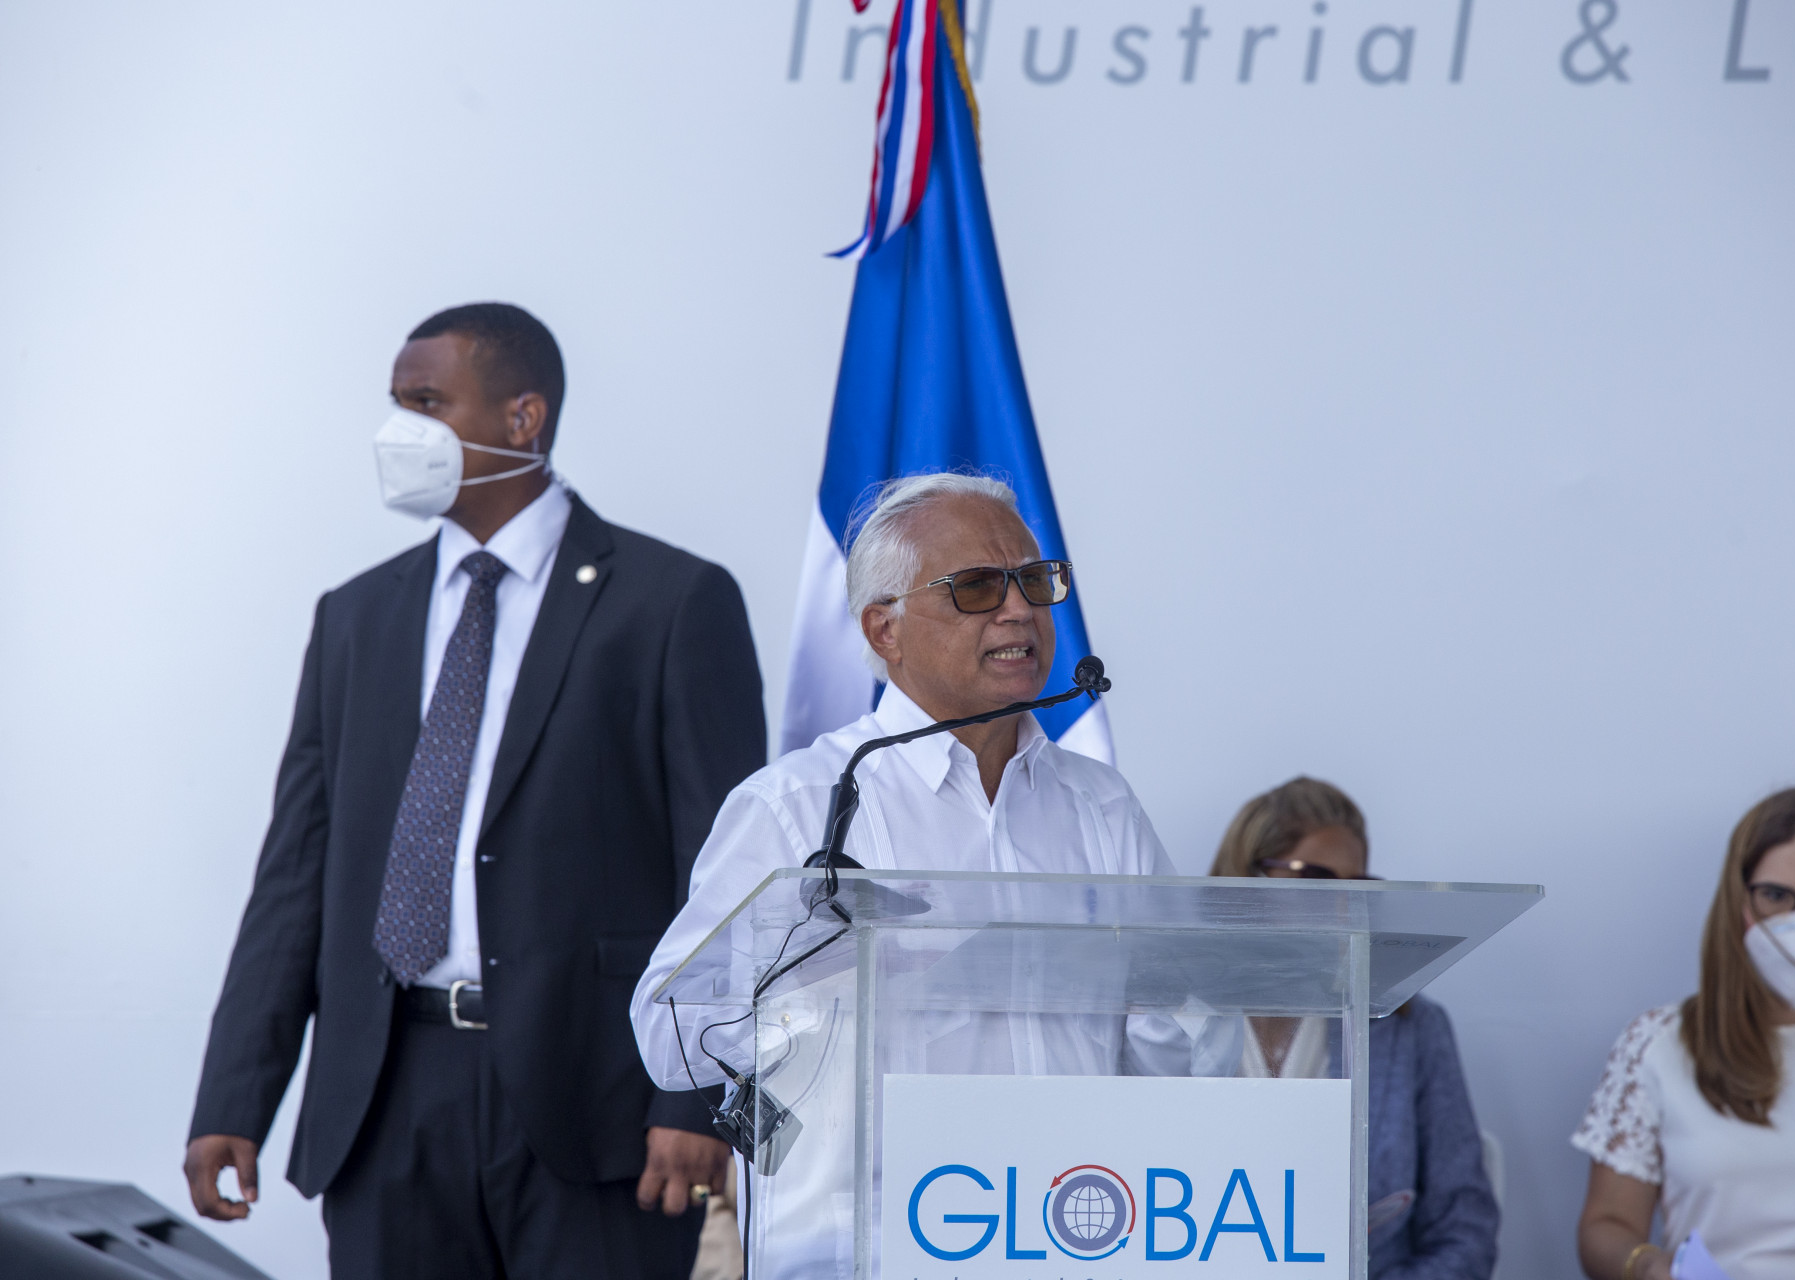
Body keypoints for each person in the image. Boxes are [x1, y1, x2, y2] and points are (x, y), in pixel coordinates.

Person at [183, 303, 765, 1279]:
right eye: (396, 403)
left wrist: (695, 1094)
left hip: (595, 1104)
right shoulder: (355, 617)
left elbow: (727, 875)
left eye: (426, 403)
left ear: (522, 417)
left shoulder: (671, 602)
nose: (399, 431)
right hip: (386, 1095)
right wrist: (234, 1099)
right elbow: (295, 875)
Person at [630, 472, 1233, 1279]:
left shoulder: (1100, 806)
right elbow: (669, 1031)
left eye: (1035, 580)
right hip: (865, 1249)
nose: (1019, 609)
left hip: (1075, 1237)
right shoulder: (800, 806)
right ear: (884, 629)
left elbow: (1181, 1023)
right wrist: (822, 977)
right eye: (977, 587)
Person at [1573, 785, 1795, 1280]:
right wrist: (1648, 1266)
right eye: (1776, 896)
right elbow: (1607, 1224)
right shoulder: (1659, 1044)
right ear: (1739, 901)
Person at [1211, 777, 1500, 1280]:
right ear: (1249, 877)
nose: (1342, 906)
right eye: (1315, 879)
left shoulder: (1409, 1028)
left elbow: (1465, 1233)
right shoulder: (1169, 1021)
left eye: (1357, 886)